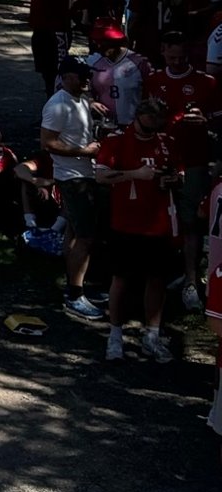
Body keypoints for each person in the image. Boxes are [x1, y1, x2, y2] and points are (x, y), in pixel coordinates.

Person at [95, 97, 177, 363]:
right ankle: (115, 335)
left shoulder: (166, 143)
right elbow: (101, 175)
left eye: (160, 121)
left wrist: (171, 180)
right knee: (122, 279)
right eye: (152, 119)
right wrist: (134, 174)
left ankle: (151, 336)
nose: (156, 125)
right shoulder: (117, 141)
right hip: (126, 224)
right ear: (139, 116)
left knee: (157, 280)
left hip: (159, 224)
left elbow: (176, 173)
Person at [41, 57, 106, 319]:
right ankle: (75, 295)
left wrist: (91, 104)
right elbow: (48, 143)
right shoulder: (57, 105)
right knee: (86, 236)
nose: (86, 80)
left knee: (72, 229)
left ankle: (72, 282)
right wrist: (84, 151)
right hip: (73, 177)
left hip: (82, 174)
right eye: (80, 76)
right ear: (66, 77)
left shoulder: (77, 98)